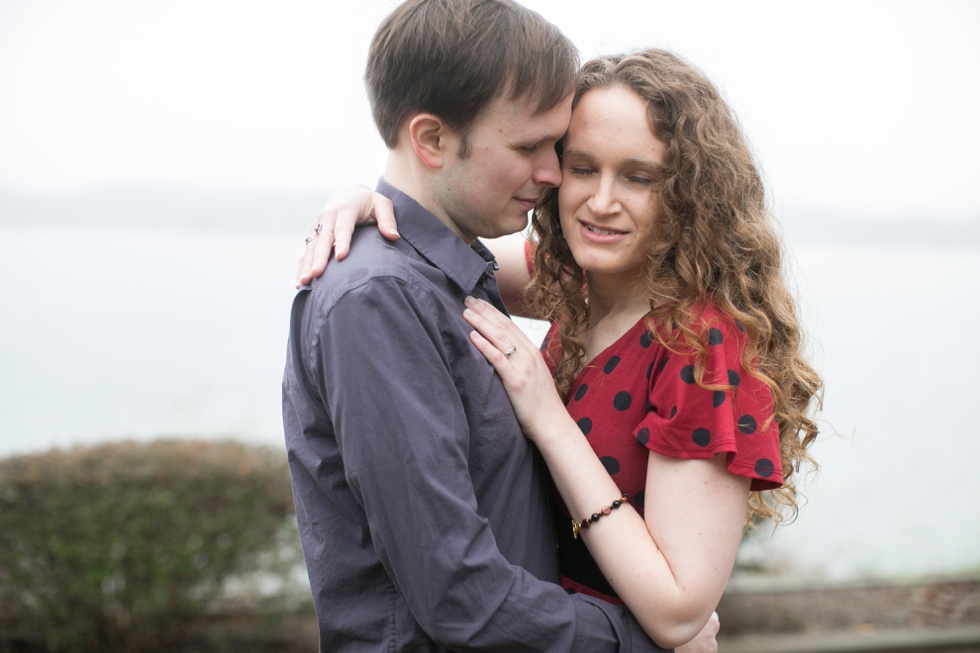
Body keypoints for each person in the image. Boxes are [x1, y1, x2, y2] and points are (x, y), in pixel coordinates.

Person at [298, 48, 822, 648]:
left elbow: (679, 611)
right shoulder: (575, 280)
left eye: (639, 177)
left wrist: (548, 417)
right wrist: (366, 202)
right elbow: (421, 259)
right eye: (581, 167)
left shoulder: (701, 345)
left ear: (691, 195)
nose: (601, 201)